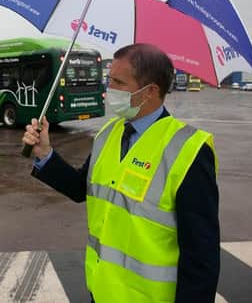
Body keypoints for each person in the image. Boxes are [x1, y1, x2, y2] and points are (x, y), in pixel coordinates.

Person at [22, 43, 220, 303]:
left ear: (150, 92)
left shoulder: (188, 150)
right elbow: (81, 188)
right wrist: (45, 154)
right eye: (109, 79)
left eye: (118, 82)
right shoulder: (108, 134)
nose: (109, 89)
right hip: (102, 291)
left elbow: (201, 256)